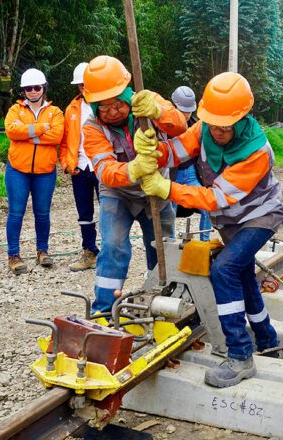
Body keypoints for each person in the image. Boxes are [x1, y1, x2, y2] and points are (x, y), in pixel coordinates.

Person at [139, 72, 283, 388]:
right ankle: (267, 339)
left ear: (242, 117)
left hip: (259, 216)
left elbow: (215, 196)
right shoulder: (205, 127)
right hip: (229, 220)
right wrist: (154, 151)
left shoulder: (257, 150)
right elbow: (178, 150)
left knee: (224, 270)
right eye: (213, 123)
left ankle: (241, 356)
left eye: (225, 125)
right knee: (242, 275)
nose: (217, 130)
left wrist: (167, 188)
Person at [81, 55, 186, 313]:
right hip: (118, 194)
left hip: (156, 190)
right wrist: (134, 169)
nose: (113, 111)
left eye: (117, 103)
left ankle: (164, 302)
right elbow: (105, 171)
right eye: (103, 107)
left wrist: (158, 112)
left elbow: (181, 127)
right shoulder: (92, 127)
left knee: (162, 248)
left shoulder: (147, 102)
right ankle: (104, 309)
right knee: (113, 245)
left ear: (127, 94)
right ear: (94, 106)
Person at [3, 68, 64, 275]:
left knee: (42, 213)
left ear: (43, 88)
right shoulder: (15, 110)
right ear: (24, 91)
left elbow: (57, 136)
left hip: (45, 171)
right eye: (28, 88)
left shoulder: (55, 112)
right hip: (17, 169)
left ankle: (42, 251)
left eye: (36, 87)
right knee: (16, 212)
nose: (32, 91)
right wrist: (41, 128)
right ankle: (13, 255)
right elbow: (11, 131)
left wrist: (27, 132)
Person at [60, 62, 100, 272]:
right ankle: (89, 251)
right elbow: (65, 141)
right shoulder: (72, 109)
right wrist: (67, 164)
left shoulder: (106, 105)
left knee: (112, 211)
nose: (84, 88)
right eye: (81, 85)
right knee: (84, 213)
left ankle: (112, 254)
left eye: (88, 84)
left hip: (103, 166)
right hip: (81, 168)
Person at [170, 85, 212, 241]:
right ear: (174, 106)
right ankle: (171, 245)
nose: (186, 115)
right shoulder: (163, 127)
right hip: (173, 175)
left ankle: (205, 241)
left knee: (207, 206)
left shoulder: (197, 125)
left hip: (191, 173)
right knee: (169, 213)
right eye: (183, 111)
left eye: (189, 111)